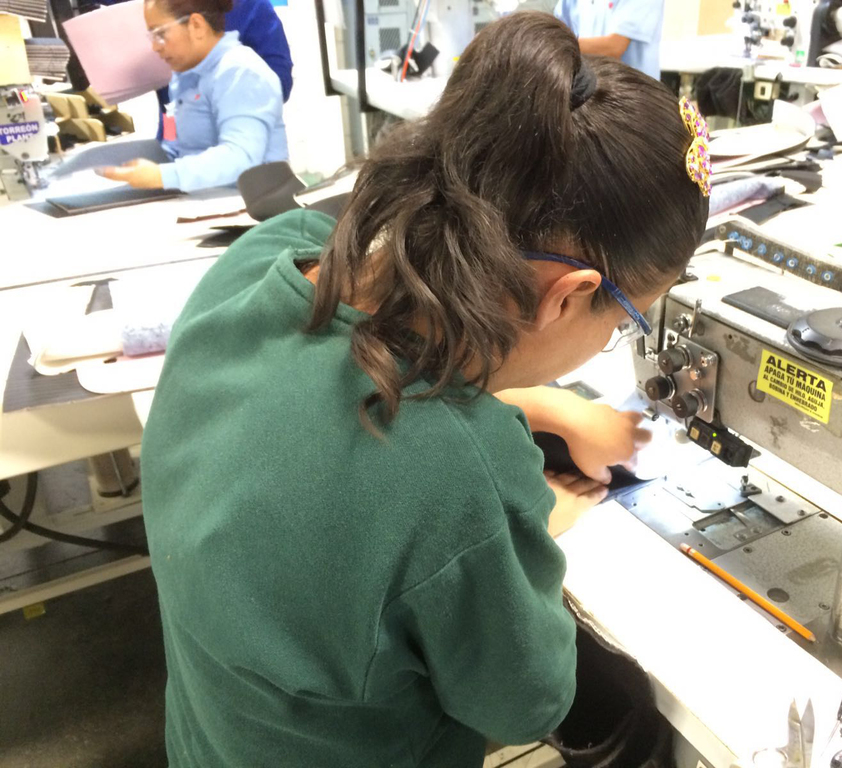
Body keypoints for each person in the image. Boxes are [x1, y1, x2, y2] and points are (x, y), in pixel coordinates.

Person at [141, 11, 708, 768]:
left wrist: (550, 408)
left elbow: (334, 420)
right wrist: (519, 527)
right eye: (628, 319)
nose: (615, 340)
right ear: (568, 296)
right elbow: (528, 703)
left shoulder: (258, 264)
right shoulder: (456, 482)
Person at [98, 0, 288, 191]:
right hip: (201, 197)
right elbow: (172, 138)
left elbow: (241, 158)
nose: (154, 47)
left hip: (248, 201)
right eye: (151, 36)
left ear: (196, 25)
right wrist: (139, 161)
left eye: (160, 34)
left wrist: (162, 175)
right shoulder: (180, 79)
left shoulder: (240, 73)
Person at [554, 0, 665, 80]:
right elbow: (557, 30)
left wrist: (557, 45)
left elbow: (614, 47)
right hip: (589, 91)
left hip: (633, 95)